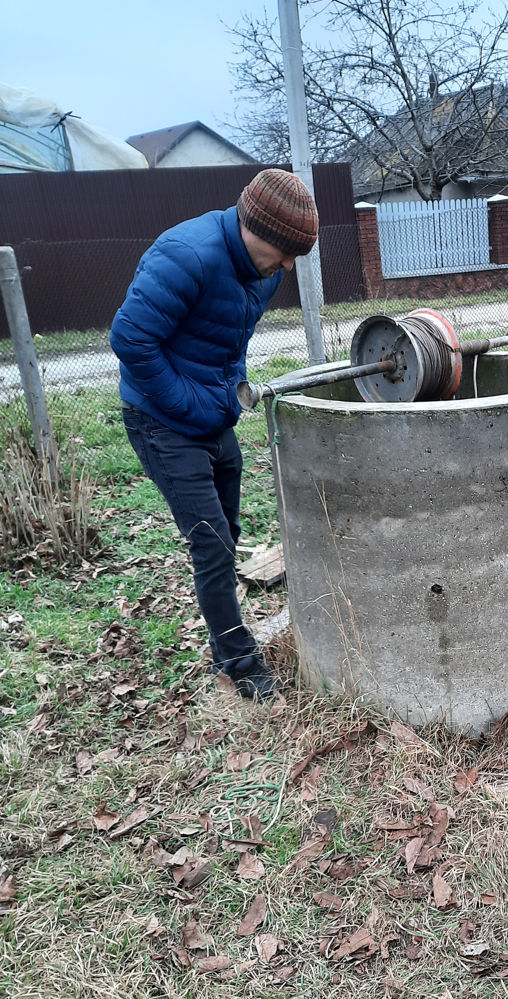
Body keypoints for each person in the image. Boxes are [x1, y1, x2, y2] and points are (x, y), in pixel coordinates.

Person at [110, 169, 319, 700]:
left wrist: (228, 392)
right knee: (212, 543)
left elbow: (227, 340)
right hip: (161, 421)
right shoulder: (185, 255)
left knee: (225, 531)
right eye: (286, 250)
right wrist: (192, 404)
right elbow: (131, 340)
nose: (290, 266)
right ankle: (239, 663)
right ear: (255, 227)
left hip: (212, 415)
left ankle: (224, 627)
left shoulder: (263, 272)